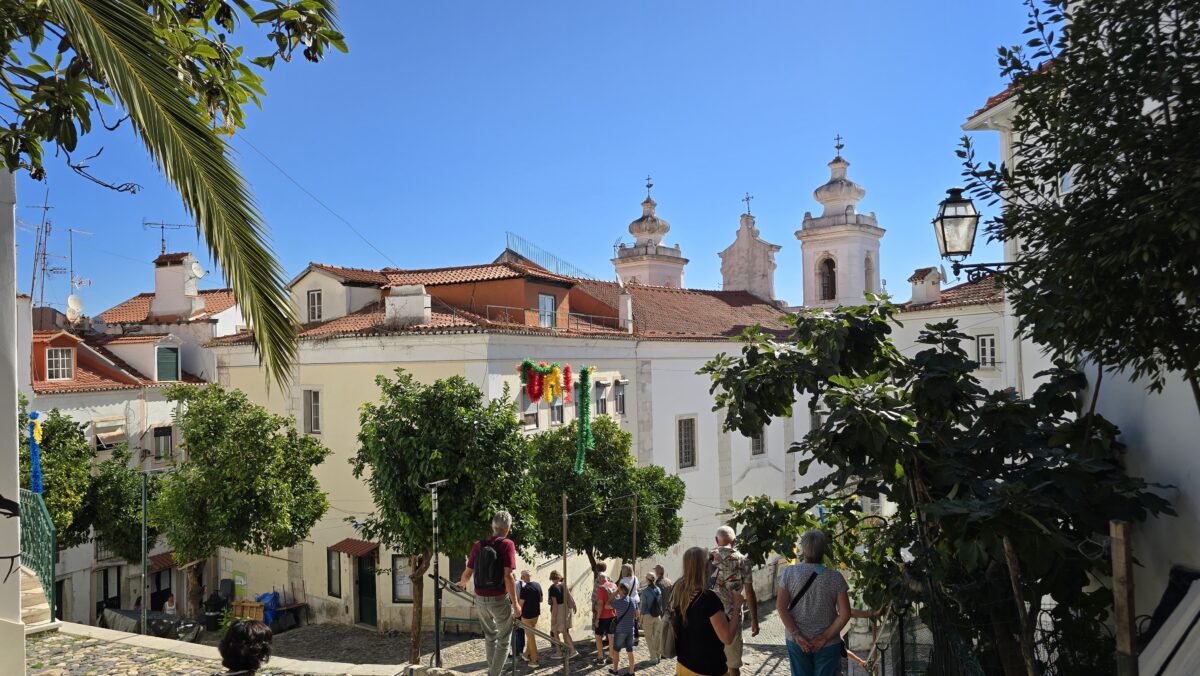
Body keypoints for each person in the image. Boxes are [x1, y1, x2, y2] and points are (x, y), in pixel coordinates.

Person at [777, 530, 852, 676]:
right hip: (828, 644)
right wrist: (825, 637)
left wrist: (797, 634)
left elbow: (781, 607)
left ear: (803, 549)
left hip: (797, 642)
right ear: (824, 550)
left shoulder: (789, 573)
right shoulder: (836, 577)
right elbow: (845, 614)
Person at [458, 510, 520, 676]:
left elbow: (468, 572)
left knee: (490, 636)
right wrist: (515, 604)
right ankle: (493, 674)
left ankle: (492, 670)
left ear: (493, 527)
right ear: (508, 528)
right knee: (504, 639)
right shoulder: (507, 544)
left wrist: (462, 583)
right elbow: (508, 577)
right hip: (499, 599)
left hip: (480, 599)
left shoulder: (479, 545)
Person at [672, 546, 735, 676]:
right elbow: (727, 638)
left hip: (684, 665)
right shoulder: (708, 598)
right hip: (707, 669)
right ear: (703, 566)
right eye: (710, 559)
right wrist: (738, 608)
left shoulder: (679, 592)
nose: (712, 563)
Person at [709, 526, 760, 676]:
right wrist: (755, 621)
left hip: (709, 618)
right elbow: (749, 592)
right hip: (733, 618)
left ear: (716, 540)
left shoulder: (707, 558)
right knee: (733, 665)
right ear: (734, 541)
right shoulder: (743, 560)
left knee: (708, 663)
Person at [608, 582, 640, 675]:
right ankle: (631, 672)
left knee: (616, 650)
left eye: (618, 589)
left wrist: (614, 594)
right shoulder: (633, 600)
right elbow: (637, 614)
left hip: (620, 630)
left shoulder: (618, 602)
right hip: (630, 629)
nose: (617, 591)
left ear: (621, 591)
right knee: (630, 650)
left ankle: (615, 670)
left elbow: (607, 605)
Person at [548, 570, 577, 658]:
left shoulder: (553, 588)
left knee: (556, 631)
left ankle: (561, 652)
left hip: (559, 610)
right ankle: (568, 650)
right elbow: (569, 597)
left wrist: (553, 617)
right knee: (563, 631)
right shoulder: (564, 585)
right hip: (566, 608)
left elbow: (555, 604)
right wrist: (574, 606)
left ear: (551, 578)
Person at [518, 570, 543, 667]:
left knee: (531, 638)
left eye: (522, 577)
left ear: (524, 577)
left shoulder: (524, 589)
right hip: (536, 614)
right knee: (530, 636)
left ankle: (534, 660)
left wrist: (515, 614)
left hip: (527, 616)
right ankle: (526, 655)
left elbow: (521, 604)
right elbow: (541, 600)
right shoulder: (537, 585)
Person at [592, 573, 617, 666]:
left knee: (598, 637)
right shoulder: (614, 586)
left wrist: (597, 619)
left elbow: (600, 604)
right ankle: (611, 657)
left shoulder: (601, 588)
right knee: (611, 637)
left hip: (603, 616)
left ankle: (600, 657)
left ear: (599, 579)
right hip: (613, 615)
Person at [639, 571, 664, 665]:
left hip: (648, 616)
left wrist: (641, 618)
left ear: (647, 580)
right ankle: (658, 656)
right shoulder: (658, 589)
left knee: (649, 638)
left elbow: (643, 606)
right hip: (657, 616)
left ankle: (653, 658)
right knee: (657, 637)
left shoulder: (645, 591)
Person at [511, 572, 525, 659]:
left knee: (515, 632)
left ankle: (516, 652)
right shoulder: (522, 583)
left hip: (515, 610)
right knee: (521, 631)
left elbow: (513, 600)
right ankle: (520, 651)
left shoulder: (513, 585)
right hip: (522, 610)